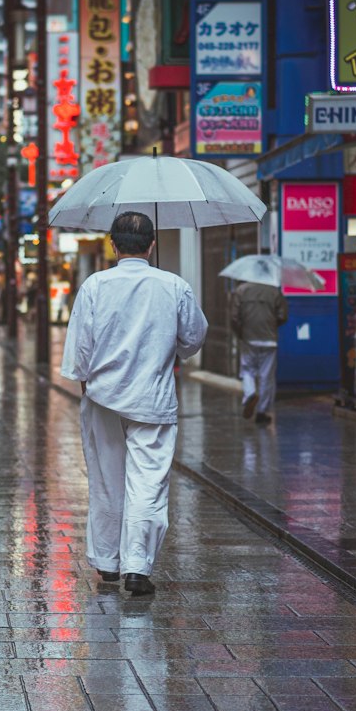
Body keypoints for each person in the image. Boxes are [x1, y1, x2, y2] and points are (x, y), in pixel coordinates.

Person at [61, 210, 208, 596]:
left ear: (113, 245)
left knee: (107, 481)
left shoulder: (95, 285)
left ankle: (108, 562)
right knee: (148, 484)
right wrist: (170, 347)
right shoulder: (174, 286)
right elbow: (193, 338)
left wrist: (85, 385)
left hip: (103, 397)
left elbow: (79, 349)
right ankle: (137, 568)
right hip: (153, 400)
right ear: (152, 244)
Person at [229, 274, 288, 424]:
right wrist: (272, 327)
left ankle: (250, 393)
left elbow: (234, 317)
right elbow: (282, 316)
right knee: (266, 376)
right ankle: (262, 411)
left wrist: (241, 333)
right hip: (269, 340)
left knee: (247, 370)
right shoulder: (274, 291)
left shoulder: (241, 290)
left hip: (249, 338)